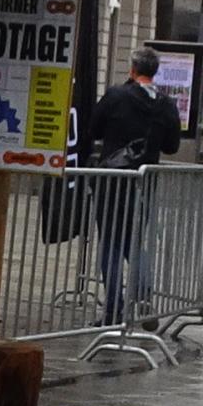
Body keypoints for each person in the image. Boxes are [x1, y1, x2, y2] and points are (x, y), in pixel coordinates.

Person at [77, 47, 187, 330]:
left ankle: (113, 309)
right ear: (155, 72)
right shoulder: (166, 104)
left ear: (133, 69)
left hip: (113, 182)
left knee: (111, 244)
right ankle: (145, 298)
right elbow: (172, 146)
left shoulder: (116, 96)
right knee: (133, 242)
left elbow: (93, 129)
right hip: (144, 182)